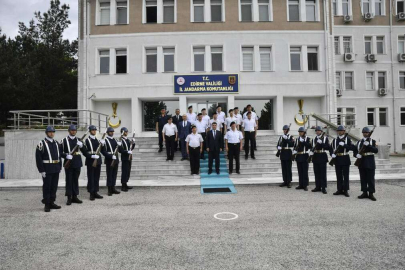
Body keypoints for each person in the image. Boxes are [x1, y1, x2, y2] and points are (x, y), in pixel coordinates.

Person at [35, 126, 63, 212]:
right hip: (47, 168)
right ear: (46, 133)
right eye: (50, 132)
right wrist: (41, 170)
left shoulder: (56, 143)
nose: (52, 133)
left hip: (56, 168)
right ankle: (47, 204)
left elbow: (59, 156)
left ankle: (52, 202)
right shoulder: (41, 143)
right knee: (47, 186)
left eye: (53, 132)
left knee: (54, 186)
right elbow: (38, 158)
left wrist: (60, 167)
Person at [61, 124, 84, 206]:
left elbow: (84, 151)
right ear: (69, 131)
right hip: (69, 163)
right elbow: (60, 152)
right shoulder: (64, 140)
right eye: (72, 130)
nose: (73, 131)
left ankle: (75, 196)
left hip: (77, 162)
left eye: (74, 130)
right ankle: (69, 198)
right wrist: (66, 155)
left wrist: (82, 145)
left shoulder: (79, 140)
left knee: (75, 180)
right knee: (69, 180)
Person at [354, 127, 379, 201]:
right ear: (362, 133)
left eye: (367, 132)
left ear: (369, 133)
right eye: (364, 132)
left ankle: (371, 193)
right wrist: (356, 155)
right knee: (363, 178)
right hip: (361, 161)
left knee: (370, 179)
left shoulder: (373, 141)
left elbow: (376, 150)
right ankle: (364, 192)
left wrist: (369, 145)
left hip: (370, 161)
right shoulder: (359, 142)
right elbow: (355, 151)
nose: (366, 134)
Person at [329, 125, 354, 197]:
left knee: (345, 175)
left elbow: (352, 148)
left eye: (341, 131)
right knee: (339, 175)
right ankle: (339, 189)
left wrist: (345, 145)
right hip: (337, 159)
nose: (340, 132)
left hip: (345, 157)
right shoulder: (334, 140)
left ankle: (345, 190)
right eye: (339, 131)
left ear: (344, 131)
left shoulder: (348, 139)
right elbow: (331, 148)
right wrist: (332, 154)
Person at [83, 125, 104, 201]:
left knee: (96, 177)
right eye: (93, 130)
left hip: (97, 161)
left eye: (95, 130)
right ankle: (91, 193)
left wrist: (103, 144)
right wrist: (91, 156)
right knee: (91, 177)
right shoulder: (86, 140)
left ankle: (95, 192)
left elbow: (102, 150)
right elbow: (85, 152)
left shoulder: (98, 140)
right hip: (90, 161)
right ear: (89, 131)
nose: (94, 131)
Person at [101, 127, 122, 196]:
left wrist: (120, 145)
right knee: (109, 175)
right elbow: (103, 151)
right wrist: (110, 156)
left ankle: (113, 188)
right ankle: (109, 189)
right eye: (110, 132)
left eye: (113, 131)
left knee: (114, 174)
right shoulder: (105, 140)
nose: (112, 133)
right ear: (107, 133)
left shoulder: (115, 140)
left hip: (115, 159)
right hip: (109, 160)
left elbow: (119, 150)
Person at [310, 126, 330, 194]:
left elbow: (328, 147)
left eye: (319, 130)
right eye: (316, 131)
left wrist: (322, 143)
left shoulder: (325, 138)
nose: (317, 132)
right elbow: (312, 147)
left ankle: (323, 187)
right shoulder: (313, 139)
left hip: (322, 155)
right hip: (315, 156)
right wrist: (311, 152)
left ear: (321, 131)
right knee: (316, 172)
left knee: (323, 173)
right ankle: (317, 186)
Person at [293, 127, 312, 191]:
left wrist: (303, 142)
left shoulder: (308, 139)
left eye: (301, 132)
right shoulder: (297, 139)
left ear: (304, 133)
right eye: (299, 132)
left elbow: (310, 146)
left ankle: (305, 185)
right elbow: (295, 147)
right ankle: (300, 184)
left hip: (305, 156)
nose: (300, 133)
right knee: (300, 171)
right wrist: (294, 152)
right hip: (298, 156)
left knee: (305, 171)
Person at [119, 127, 135, 192]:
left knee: (128, 171)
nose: (126, 133)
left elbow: (131, 148)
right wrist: (127, 152)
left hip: (129, 158)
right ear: (122, 132)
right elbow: (120, 150)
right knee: (124, 171)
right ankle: (123, 185)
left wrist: (133, 143)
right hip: (125, 158)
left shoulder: (127, 140)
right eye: (125, 132)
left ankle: (126, 184)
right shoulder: (121, 140)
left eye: (127, 132)